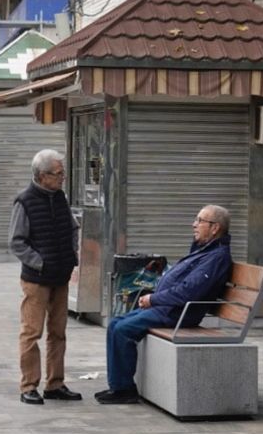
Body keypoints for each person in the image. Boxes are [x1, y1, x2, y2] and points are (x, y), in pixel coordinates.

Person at [97, 206, 234, 404]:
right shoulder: (204, 250)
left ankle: (124, 389)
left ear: (215, 228)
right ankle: (119, 386)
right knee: (115, 324)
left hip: (178, 313)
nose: (194, 224)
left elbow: (189, 291)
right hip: (168, 308)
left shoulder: (216, 257)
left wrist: (154, 299)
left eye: (200, 220)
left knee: (122, 329)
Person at [12, 149, 81, 405]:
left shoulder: (60, 197)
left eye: (63, 172)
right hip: (37, 279)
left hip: (60, 276)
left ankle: (55, 383)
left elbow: (73, 227)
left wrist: (72, 255)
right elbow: (16, 242)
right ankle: (29, 385)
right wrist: (40, 264)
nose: (63, 177)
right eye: (58, 173)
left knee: (58, 332)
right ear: (42, 176)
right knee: (31, 332)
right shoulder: (25, 201)